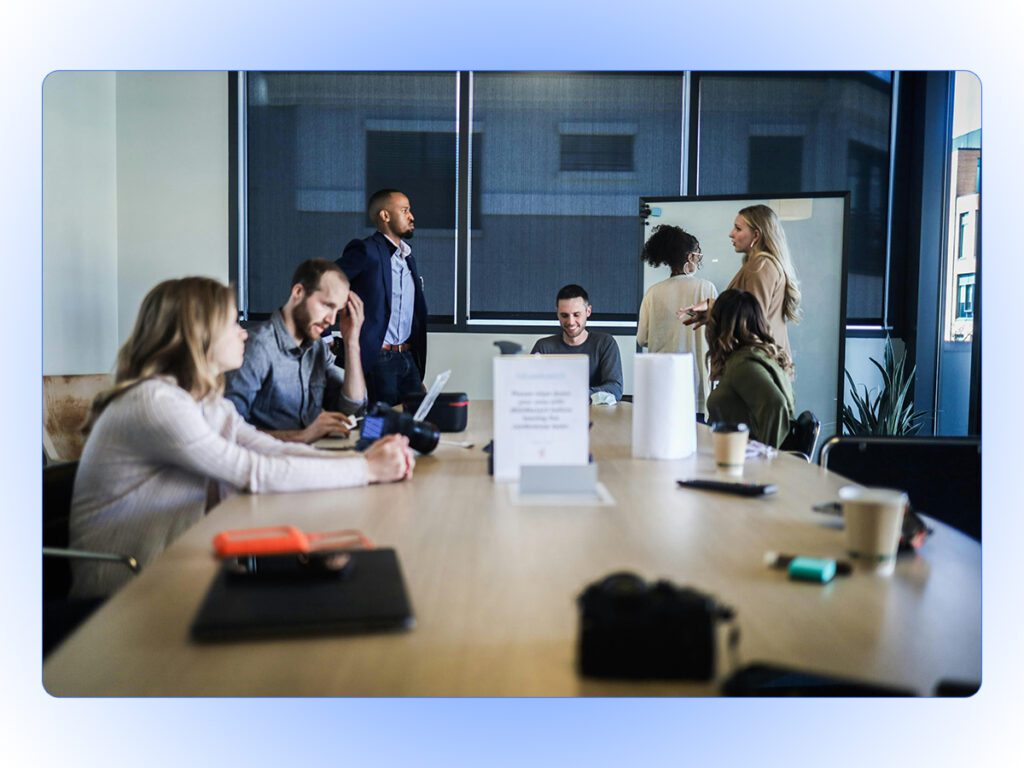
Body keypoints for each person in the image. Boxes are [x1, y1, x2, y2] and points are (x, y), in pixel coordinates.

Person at [69, 277, 415, 599]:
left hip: (174, 570)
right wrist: (367, 470)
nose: (244, 334)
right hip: (123, 595)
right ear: (199, 333)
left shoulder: (199, 401)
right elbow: (254, 472)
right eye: (233, 323)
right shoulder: (156, 403)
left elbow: (270, 449)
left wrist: (361, 464)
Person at [224, 259, 367, 443]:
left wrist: (352, 342)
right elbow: (228, 431)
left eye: (337, 312)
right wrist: (301, 437)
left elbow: (352, 409)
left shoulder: (318, 348)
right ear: (298, 292)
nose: (331, 321)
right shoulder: (257, 347)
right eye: (326, 306)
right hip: (267, 463)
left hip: (306, 457)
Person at [337, 189, 428, 406]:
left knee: (416, 421)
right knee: (380, 425)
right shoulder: (365, 250)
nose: (411, 216)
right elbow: (323, 282)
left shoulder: (407, 257)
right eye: (404, 210)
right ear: (385, 216)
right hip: (379, 358)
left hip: (407, 356)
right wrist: (326, 337)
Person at [680, 204, 801, 358]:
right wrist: (712, 312)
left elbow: (752, 319)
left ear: (756, 235)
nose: (731, 234)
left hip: (759, 365)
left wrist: (713, 307)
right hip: (762, 363)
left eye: (738, 229)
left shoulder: (761, 265)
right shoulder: (761, 264)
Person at [637, 224, 718, 415]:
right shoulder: (706, 289)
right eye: (698, 254)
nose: (699, 259)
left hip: (662, 385)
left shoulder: (653, 293)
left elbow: (642, 339)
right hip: (696, 385)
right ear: (690, 257)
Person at [703, 289, 795, 448]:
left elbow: (775, 404)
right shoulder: (756, 356)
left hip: (742, 461)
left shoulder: (742, 364)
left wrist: (764, 455)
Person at [530, 284, 623, 402]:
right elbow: (530, 388)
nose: (571, 322)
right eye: (564, 315)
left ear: (588, 311)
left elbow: (615, 389)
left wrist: (573, 395)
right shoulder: (543, 347)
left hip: (598, 416)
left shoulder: (605, 343)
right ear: (557, 313)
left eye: (576, 314)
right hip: (555, 415)